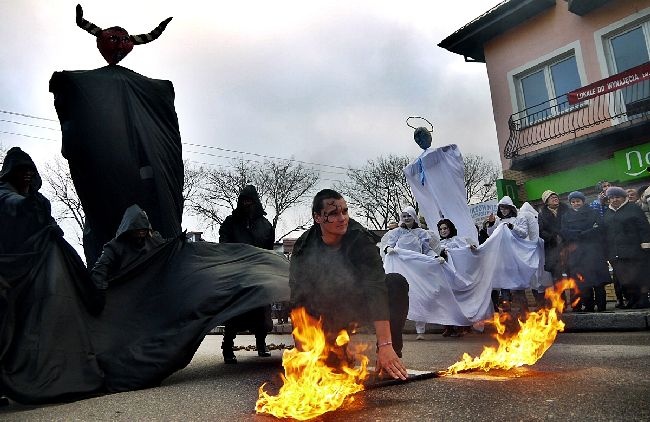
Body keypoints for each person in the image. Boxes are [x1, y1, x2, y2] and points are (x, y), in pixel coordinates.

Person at [0, 147, 104, 404]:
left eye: (30, 171)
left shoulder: (35, 201)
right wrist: (30, 205)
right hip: (9, 273)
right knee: (6, 327)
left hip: (36, 272)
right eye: (20, 171)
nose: (26, 176)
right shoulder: (6, 195)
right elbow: (13, 207)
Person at [290, 189, 409, 380]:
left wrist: (386, 344)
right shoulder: (304, 246)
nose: (342, 218)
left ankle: (389, 355)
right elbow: (298, 298)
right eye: (334, 214)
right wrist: (304, 351)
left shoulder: (360, 238)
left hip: (360, 303)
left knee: (395, 283)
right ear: (317, 217)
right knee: (330, 369)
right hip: (327, 308)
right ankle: (338, 352)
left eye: (345, 211)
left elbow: (376, 288)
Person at [218, 185, 275, 364]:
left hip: (259, 274)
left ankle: (261, 344)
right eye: (243, 201)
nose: (247, 204)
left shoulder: (265, 225)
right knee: (234, 313)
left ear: (256, 202)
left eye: (250, 201)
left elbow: (269, 249)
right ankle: (228, 348)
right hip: (237, 275)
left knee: (260, 312)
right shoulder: (231, 222)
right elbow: (224, 244)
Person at [380, 206, 434, 340]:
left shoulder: (421, 233)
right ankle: (396, 331)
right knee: (399, 298)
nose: (406, 218)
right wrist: (388, 250)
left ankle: (420, 330)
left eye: (409, 215)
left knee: (419, 296)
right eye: (404, 216)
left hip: (417, 268)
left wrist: (435, 257)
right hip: (401, 268)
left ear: (414, 217)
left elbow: (427, 250)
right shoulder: (397, 232)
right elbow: (388, 245)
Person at [560, 191, 609, 312]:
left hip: (594, 252)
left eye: (578, 201)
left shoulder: (593, 212)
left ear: (583, 201)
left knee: (598, 283)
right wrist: (578, 234)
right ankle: (589, 307)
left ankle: (602, 307)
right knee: (583, 284)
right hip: (577, 255)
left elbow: (600, 228)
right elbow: (564, 232)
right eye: (573, 202)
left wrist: (584, 234)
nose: (576, 204)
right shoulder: (566, 216)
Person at [602, 187, 650, 309]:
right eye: (611, 198)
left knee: (638, 277)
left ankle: (642, 300)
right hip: (616, 253)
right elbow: (605, 234)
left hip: (634, 251)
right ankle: (631, 300)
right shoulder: (607, 213)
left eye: (617, 197)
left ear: (624, 197)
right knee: (625, 280)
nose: (614, 200)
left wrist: (646, 244)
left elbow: (644, 227)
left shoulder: (633, 209)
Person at [486, 196, 529, 312]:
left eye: (505, 208)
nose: (503, 211)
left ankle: (524, 313)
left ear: (510, 208)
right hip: (502, 258)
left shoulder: (519, 218)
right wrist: (490, 224)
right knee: (504, 286)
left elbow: (524, 233)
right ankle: (507, 316)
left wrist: (513, 227)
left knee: (518, 287)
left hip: (515, 257)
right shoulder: (498, 221)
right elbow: (492, 235)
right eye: (501, 208)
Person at [437, 218, 474, 336]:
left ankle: (463, 326)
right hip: (444, 276)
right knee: (446, 302)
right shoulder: (437, 243)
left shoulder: (457, 240)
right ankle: (448, 327)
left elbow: (465, 251)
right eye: (441, 229)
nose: (443, 231)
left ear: (450, 229)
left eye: (445, 228)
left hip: (456, 276)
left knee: (459, 301)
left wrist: (470, 247)